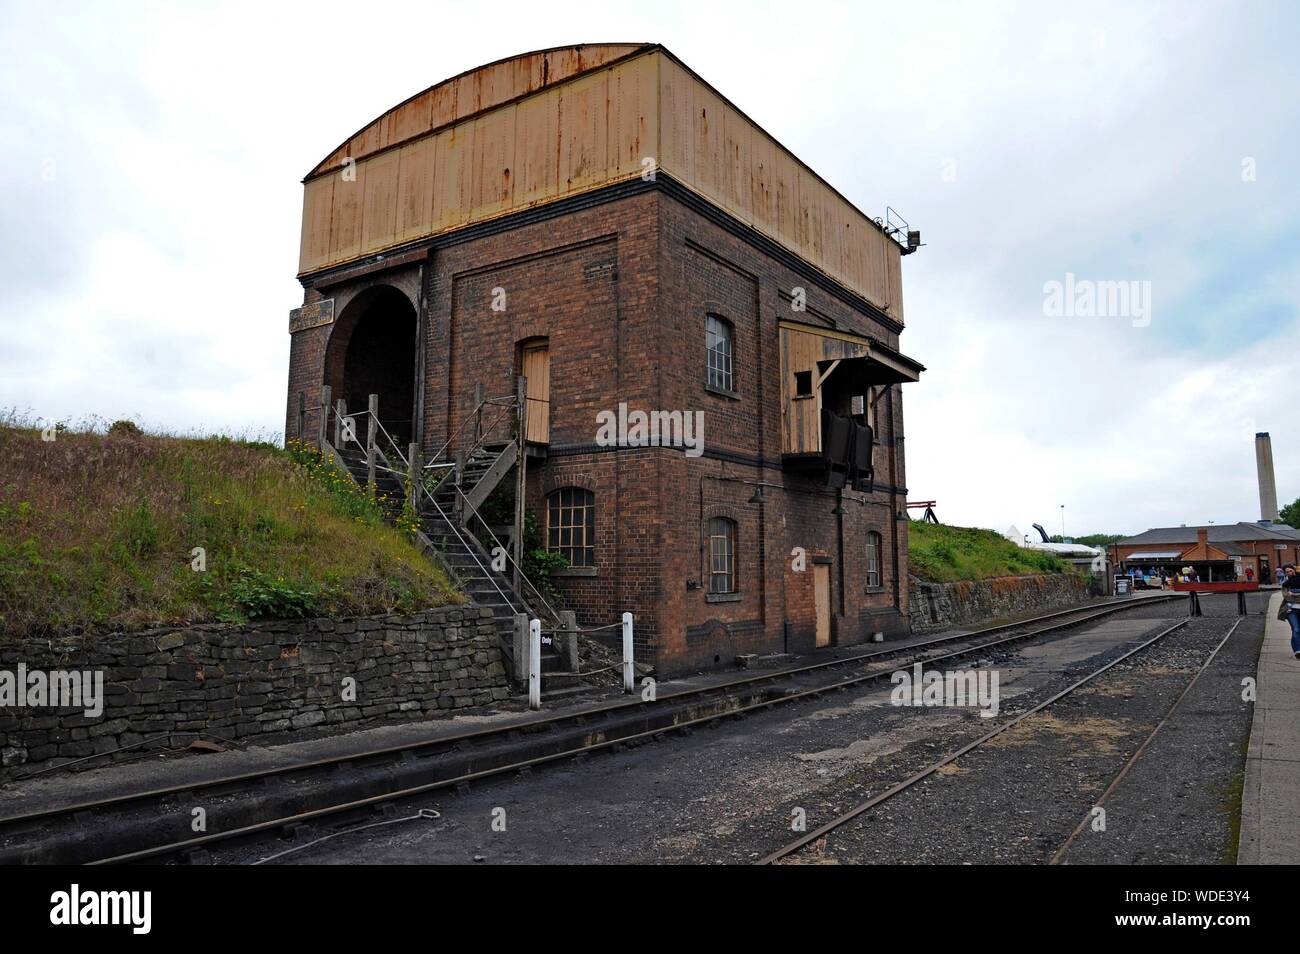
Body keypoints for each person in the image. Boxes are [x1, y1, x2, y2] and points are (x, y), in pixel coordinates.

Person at [1284, 565, 1300, 659]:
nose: (1289, 572)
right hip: (1291, 610)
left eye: (1290, 570)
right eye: (1287, 571)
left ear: (1294, 570)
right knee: (1296, 629)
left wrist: (1294, 594)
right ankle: (1297, 651)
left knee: (1298, 630)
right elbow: (1286, 596)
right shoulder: (1285, 584)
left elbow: (1290, 595)